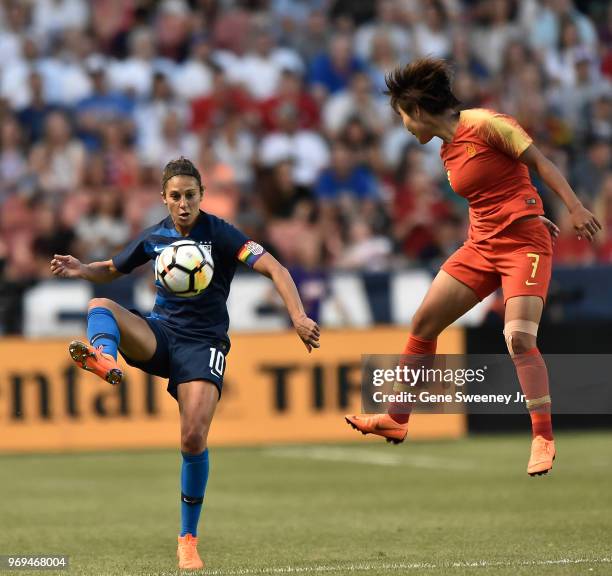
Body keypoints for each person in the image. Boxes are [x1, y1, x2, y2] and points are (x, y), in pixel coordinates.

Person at [50, 157, 320, 570]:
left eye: (190, 196)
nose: (182, 204)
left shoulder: (223, 234)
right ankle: (104, 357)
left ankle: (187, 539)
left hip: (202, 344)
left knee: (192, 438)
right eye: (175, 196)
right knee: (100, 304)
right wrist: (82, 269)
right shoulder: (154, 237)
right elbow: (112, 268)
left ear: (201, 196)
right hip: (161, 335)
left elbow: (275, 268)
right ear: (164, 198)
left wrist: (297, 316)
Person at [345, 57, 601, 476]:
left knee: (517, 336)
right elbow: (495, 191)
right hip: (480, 245)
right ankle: (396, 417)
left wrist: (572, 207)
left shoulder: (485, 123)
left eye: (403, 118)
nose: (405, 128)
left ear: (418, 111)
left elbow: (539, 163)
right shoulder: (447, 149)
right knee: (424, 323)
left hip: (523, 244)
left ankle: (542, 438)